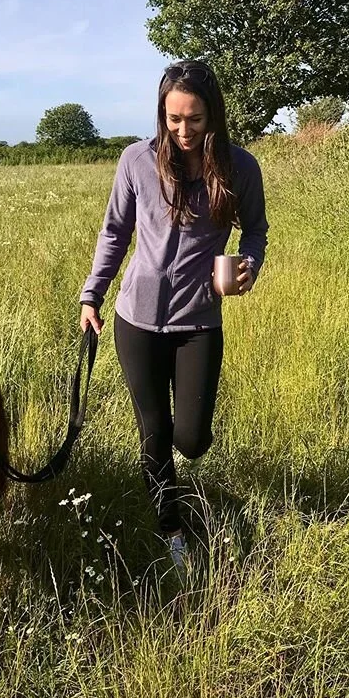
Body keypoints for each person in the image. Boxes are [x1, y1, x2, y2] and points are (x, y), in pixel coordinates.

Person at [79, 60, 268, 573]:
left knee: (192, 438)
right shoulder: (136, 161)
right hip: (136, 320)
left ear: (214, 116)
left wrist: (249, 264)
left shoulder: (240, 167)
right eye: (173, 119)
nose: (183, 131)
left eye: (196, 119)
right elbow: (115, 231)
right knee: (154, 432)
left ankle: (186, 482)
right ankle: (171, 530)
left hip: (199, 320)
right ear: (162, 115)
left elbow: (255, 231)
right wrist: (91, 294)